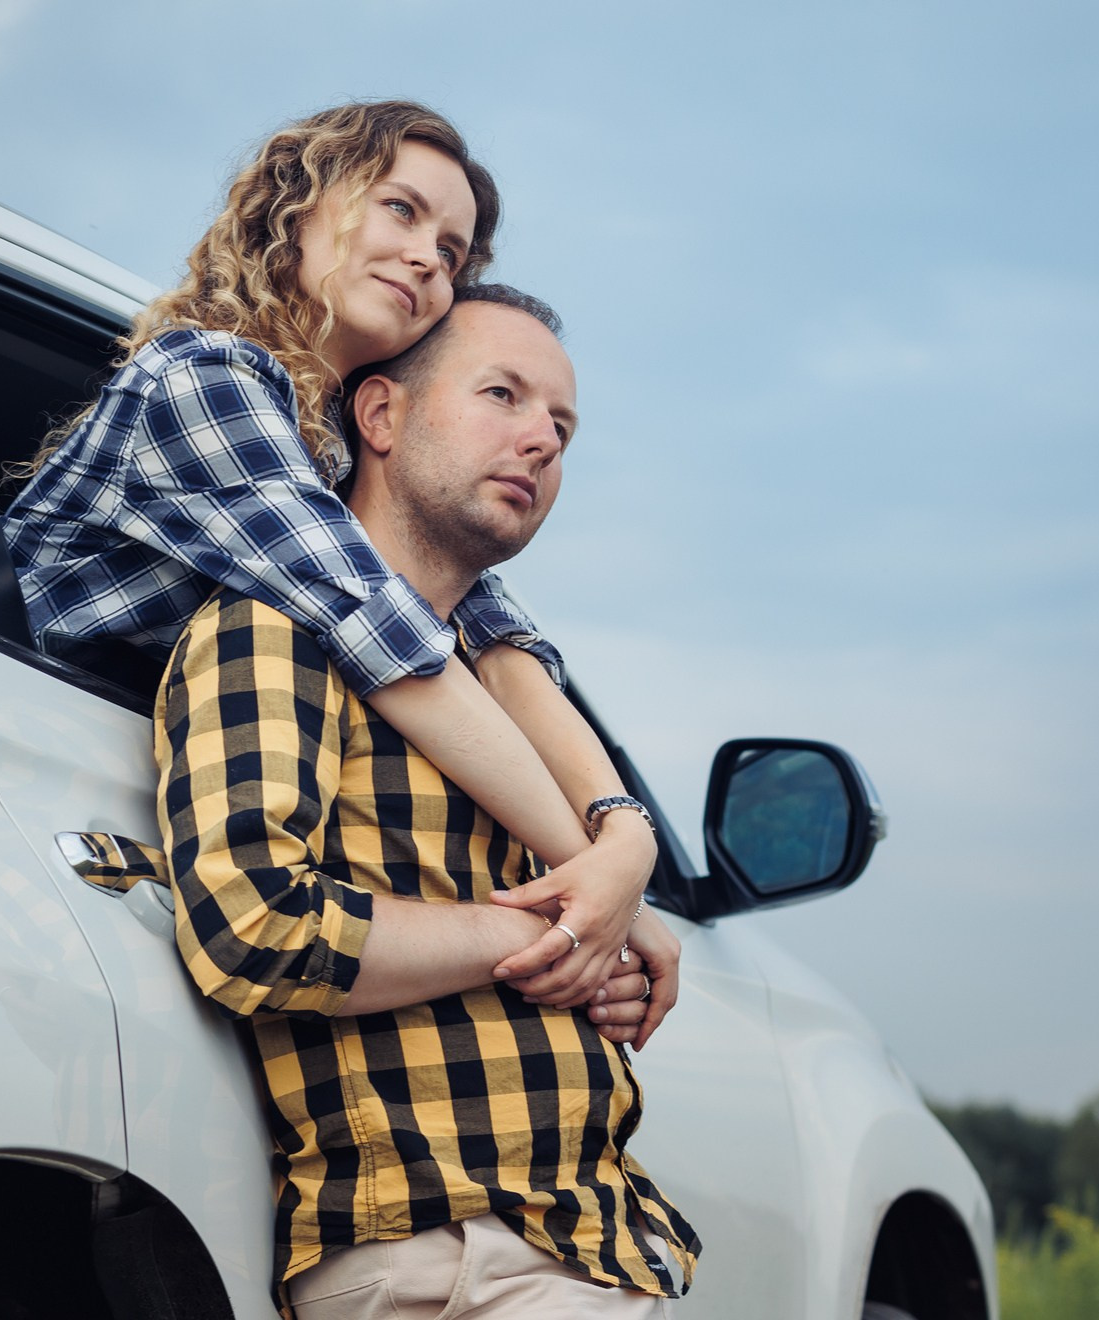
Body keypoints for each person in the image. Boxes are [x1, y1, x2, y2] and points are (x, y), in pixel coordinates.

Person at [3, 101, 674, 1027]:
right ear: (299, 200)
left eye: (451, 252)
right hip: (12, 739)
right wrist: (591, 895)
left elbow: (496, 638)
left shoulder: (330, 458)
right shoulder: (202, 378)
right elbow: (390, 637)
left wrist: (623, 841)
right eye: (402, 210)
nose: (427, 260)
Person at [150, 284, 697, 1317]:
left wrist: (601, 952)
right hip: (448, 1256)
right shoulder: (274, 630)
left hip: (582, 1240)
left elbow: (546, 934)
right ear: (382, 417)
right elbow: (255, 925)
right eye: (504, 395)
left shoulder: (503, 688)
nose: (542, 440)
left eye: (564, 427)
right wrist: (549, 937)